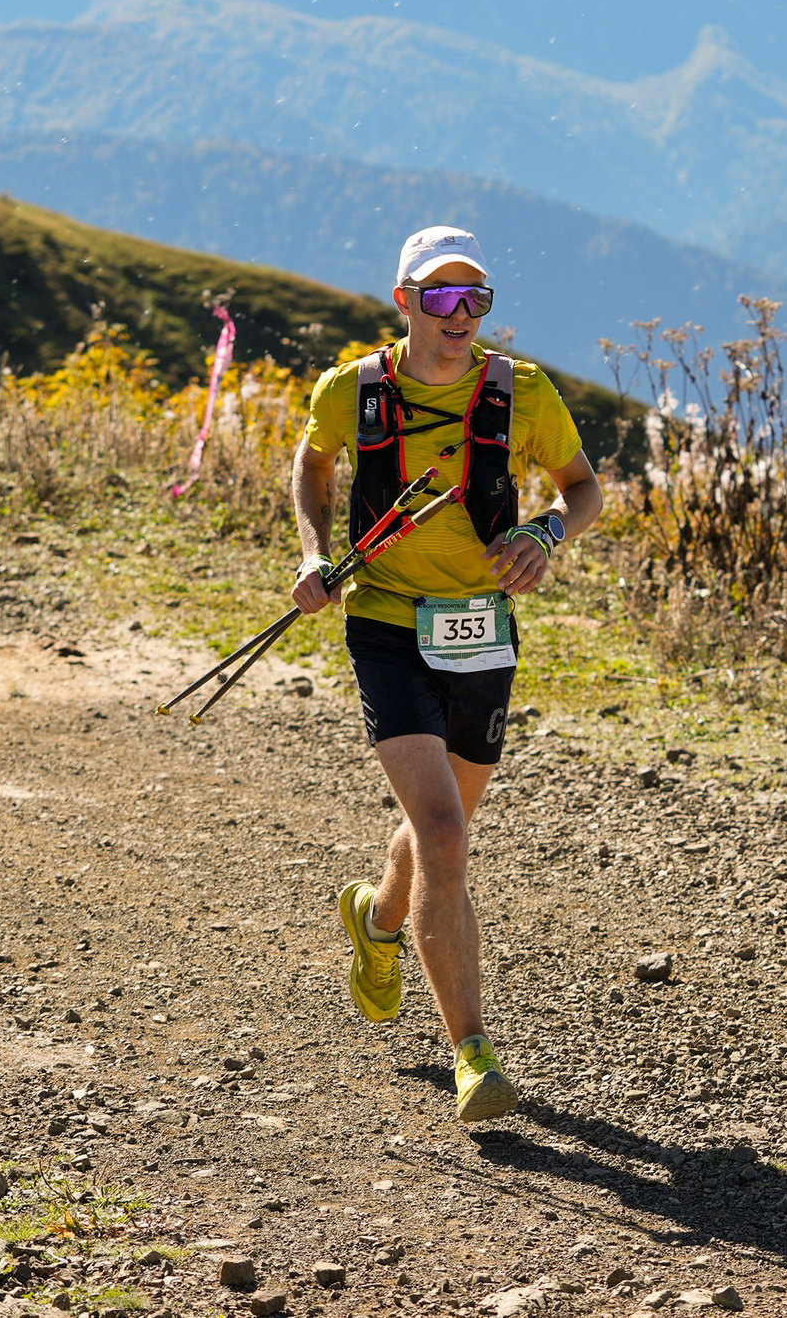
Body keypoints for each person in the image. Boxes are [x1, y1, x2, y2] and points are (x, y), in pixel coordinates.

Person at [289, 226, 603, 1123]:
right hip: (384, 623)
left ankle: (377, 921)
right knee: (445, 833)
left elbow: (584, 489)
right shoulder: (350, 389)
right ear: (404, 302)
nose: (460, 314)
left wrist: (546, 533)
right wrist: (314, 556)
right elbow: (310, 471)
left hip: (482, 631)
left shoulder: (522, 391)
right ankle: (474, 1053)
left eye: (476, 297)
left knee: (443, 829)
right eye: (440, 296)